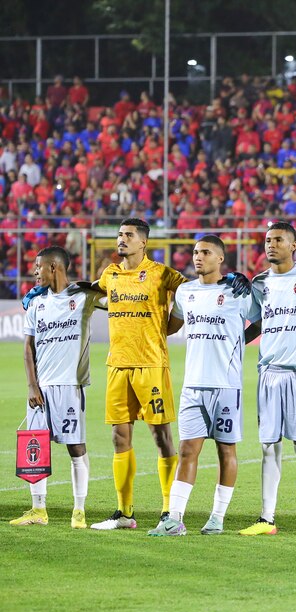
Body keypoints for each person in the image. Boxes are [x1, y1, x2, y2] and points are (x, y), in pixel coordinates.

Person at [89, 219, 248, 531]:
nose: (122, 239)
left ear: (143, 242)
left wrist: (233, 278)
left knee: (163, 438)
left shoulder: (164, 274)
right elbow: (92, 294)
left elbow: (199, 288)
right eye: (120, 235)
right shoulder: (109, 274)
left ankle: (168, 512)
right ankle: (124, 513)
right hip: (117, 364)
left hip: (152, 364)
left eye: (128, 235)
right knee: (119, 436)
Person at [147, 236, 254, 537]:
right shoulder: (185, 292)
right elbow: (173, 323)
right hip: (192, 385)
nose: (198, 257)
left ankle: (217, 517)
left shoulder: (237, 292)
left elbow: (257, 320)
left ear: (220, 259)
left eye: (206, 252)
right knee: (187, 450)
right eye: (195, 252)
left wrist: (241, 342)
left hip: (226, 385)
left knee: (225, 450)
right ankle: (173, 518)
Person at [240, 221, 296, 537]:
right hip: (268, 374)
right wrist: (234, 341)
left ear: (294, 245)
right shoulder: (259, 283)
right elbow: (256, 322)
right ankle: (267, 518)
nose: (271, 244)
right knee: (269, 448)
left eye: (278, 239)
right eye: (267, 240)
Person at [11, 247, 98, 528]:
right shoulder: (36, 303)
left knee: (76, 448)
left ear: (53, 267)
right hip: (40, 389)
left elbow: (114, 298)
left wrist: (93, 285)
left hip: (70, 386)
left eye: (38, 267)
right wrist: (31, 385)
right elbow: (28, 348)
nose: (35, 272)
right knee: (34, 447)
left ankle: (79, 511)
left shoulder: (84, 298)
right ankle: (38, 510)